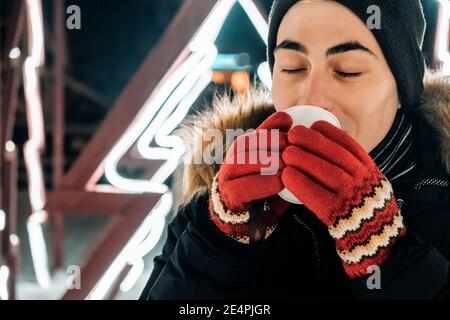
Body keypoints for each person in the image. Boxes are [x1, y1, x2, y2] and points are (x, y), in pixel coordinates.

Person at [140, 0, 450, 299]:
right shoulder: (220, 196)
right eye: (292, 67)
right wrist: (220, 246)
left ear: (402, 89)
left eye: (347, 70)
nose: (310, 98)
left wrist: (390, 259)